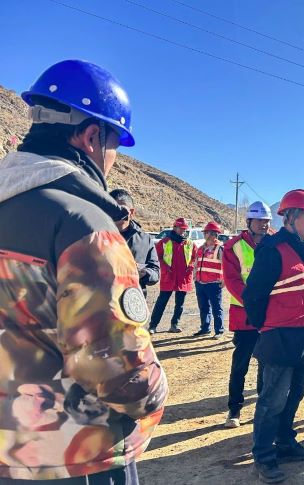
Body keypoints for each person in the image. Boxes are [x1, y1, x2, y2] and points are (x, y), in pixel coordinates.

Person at [0, 59, 168, 483]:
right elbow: (118, 371)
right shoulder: (83, 224)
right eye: (115, 145)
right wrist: (155, 392)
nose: (112, 160)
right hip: (74, 455)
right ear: (92, 136)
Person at [243, 189, 304, 483]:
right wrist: (265, 327)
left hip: (302, 335)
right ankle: (264, 456)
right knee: (272, 400)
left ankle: (285, 442)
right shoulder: (272, 250)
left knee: (296, 392)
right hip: (279, 337)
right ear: (290, 218)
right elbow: (252, 296)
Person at [223, 201, 272, 428]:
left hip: (270, 315)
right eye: (259, 220)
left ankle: (263, 406)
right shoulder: (234, 247)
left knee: (266, 362)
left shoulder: (275, 242)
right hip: (244, 315)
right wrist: (253, 302)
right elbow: (232, 280)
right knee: (240, 365)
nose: (263, 224)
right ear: (249, 221)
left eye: (266, 221)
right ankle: (234, 409)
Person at [149, 217, 197, 334]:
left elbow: (194, 257)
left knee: (179, 304)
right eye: (181, 228)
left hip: (183, 277)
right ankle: (153, 326)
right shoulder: (164, 242)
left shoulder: (190, 243)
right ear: (175, 227)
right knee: (161, 302)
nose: (183, 231)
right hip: (169, 276)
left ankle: (174, 324)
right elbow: (157, 257)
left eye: (185, 229)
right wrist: (165, 267)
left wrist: (191, 266)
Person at [110, 188, 160, 297]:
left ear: (131, 212)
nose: (116, 213)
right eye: (112, 208)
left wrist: (144, 273)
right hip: (103, 300)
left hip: (133, 300)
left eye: (121, 209)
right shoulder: (96, 234)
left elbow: (155, 273)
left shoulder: (145, 239)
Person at [192, 221, 226, 338]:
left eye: (206, 232)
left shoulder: (220, 249)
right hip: (200, 283)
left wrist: (224, 280)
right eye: (205, 232)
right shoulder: (201, 248)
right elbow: (196, 264)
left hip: (214, 284)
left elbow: (226, 266)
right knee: (203, 307)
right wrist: (195, 278)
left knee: (216, 308)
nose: (204, 234)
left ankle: (219, 330)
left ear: (213, 234)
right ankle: (205, 328)